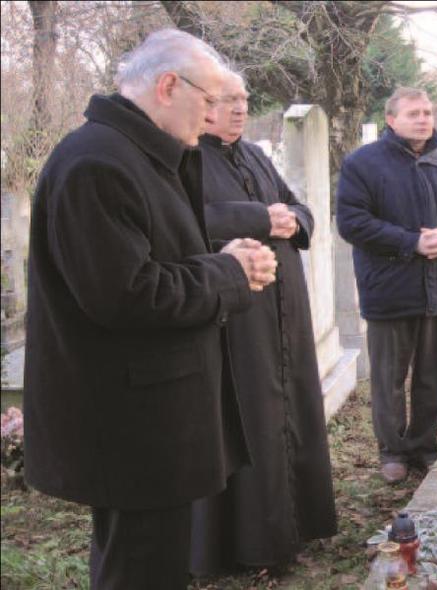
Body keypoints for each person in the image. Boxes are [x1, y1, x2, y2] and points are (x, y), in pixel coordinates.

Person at [22, 29, 278, 590]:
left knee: (150, 561)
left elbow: (157, 255)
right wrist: (230, 273)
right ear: (168, 85)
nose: (214, 116)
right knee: (140, 569)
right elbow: (128, 295)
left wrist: (222, 257)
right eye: (209, 100)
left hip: (154, 412)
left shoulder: (138, 154)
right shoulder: (98, 163)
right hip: (131, 424)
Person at [189, 71, 337, 575]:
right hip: (237, 321)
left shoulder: (253, 153)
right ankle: (251, 544)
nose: (238, 108)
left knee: (293, 409)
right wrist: (257, 218)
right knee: (249, 419)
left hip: (283, 311)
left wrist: (295, 220)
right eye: (227, 100)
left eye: (244, 99)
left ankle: (300, 525)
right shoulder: (186, 157)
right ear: (203, 105)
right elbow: (187, 220)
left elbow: (295, 205)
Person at [336, 87, 437, 483]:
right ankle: (392, 451)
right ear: (391, 119)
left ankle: (425, 446)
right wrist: (412, 242)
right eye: (413, 113)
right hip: (390, 286)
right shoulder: (364, 164)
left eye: (427, 112)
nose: (423, 119)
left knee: (433, 373)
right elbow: (352, 221)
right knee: (389, 376)